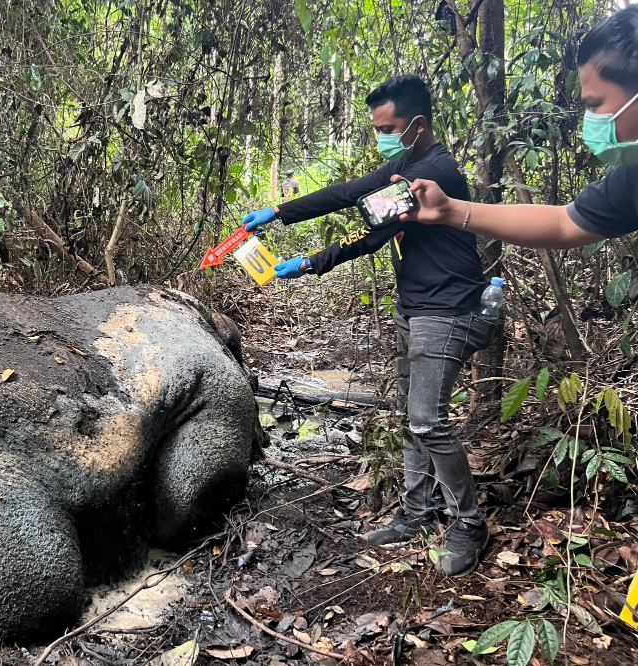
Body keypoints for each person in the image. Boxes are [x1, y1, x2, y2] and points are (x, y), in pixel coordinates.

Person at [240, 75, 494, 577]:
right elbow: (358, 207)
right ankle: (417, 514)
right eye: (377, 127)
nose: (380, 134)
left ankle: (470, 524)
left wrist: (304, 250)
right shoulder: (404, 165)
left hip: (446, 311)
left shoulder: (432, 174)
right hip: (415, 306)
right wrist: (288, 226)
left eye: (387, 127)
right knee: (408, 414)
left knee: (427, 419)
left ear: (416, 125)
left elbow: (364, 216)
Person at [397, 5, 638, 248]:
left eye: (595, 104)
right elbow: (564, 223)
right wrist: (449, 209)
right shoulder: (631, 180)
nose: (592, 118)